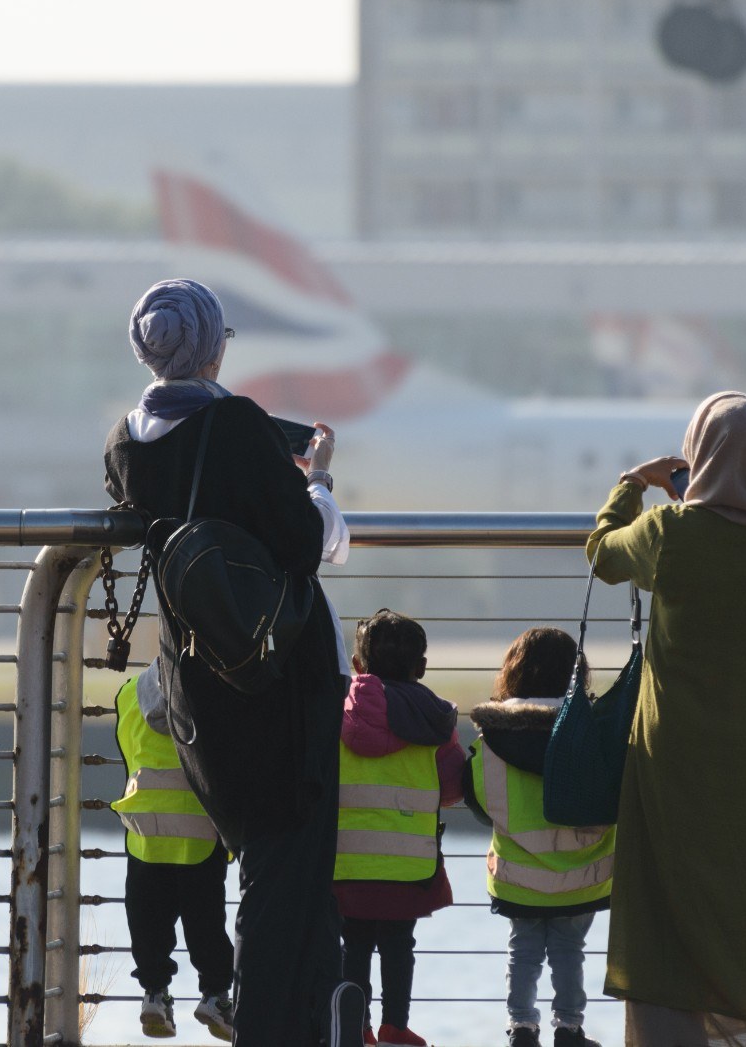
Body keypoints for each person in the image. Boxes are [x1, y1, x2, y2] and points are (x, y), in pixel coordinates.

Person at [103, 278, 354, 1047]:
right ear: (211, 345)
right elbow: (312, 545)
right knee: (286, 886)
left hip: (198, 690)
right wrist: (315, 480)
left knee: (263, 867)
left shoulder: (121, 442)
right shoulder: (240, 426)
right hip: (282, 681)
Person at [586, 391, 746, 1047]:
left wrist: (632, 486)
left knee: (668, 906)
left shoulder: (670, 534)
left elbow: (603, 554)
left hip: (676, 756)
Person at [465, 628, 612, 1047]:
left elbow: (478, 802)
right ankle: (569, 1029)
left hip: (518, 878)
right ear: (577, 673)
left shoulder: (492, 740)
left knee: (523, 952)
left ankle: (522, 1028)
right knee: (570, 952)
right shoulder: (593, 734)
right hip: (581, 878)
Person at [334, 610, 465, 1047]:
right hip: (409, 863)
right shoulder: (434, 719)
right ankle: (394, 1026)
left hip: (347, 861)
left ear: (357, 663)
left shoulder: (337, 710)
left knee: (352, 946)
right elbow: (451, 788)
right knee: (397, 945)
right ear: (421, 667)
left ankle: (354, 1028)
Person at [111, 657, 236, 1041]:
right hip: (200, 829)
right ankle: (215, 995)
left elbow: (128, 754)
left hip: (146, 828)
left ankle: (154, 993)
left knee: (147, 916)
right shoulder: (219, 694)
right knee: (206, 920)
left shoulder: (128, 693)